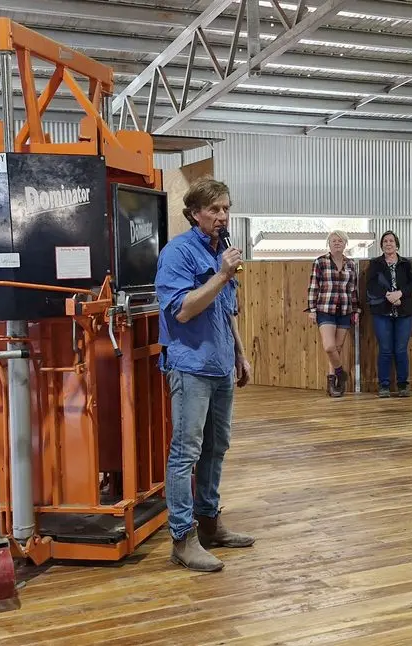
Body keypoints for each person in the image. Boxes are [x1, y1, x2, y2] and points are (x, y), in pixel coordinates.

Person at [155, 178, 255, 572]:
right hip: (189, 366)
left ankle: (211, 524)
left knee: (217, 447)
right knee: (186, 452)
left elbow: (227, 310)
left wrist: (241, 354)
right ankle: (183, 538)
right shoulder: (177, 253)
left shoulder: (222, 252)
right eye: (213, 209)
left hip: (220, 365)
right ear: (194, 213)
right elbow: (181, 310)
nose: (222, 216)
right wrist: (221, 275)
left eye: (226, 208)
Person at [306, 231, 360, 397]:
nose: (337, 243)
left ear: (345, 244)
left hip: (344, 310)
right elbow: (314, 286)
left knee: (337, 347)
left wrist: (356, 309)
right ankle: (341, 373)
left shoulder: (351, 264)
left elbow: (353, 289)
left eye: (341, 240)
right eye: (334, 240)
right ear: (329, 244)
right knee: (329, 347)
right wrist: (312, 309)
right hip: (325, 309)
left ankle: (333, 382)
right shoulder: (320, 262)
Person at [366, 231, 412, 398]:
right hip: (382, 311)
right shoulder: (375, 263)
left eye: (391, 241)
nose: (388, 244)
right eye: (385, 241)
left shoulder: (406, 263)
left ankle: (403, 385)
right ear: (381, 245)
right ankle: (384, 385)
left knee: (401, 349)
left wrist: (400, 294)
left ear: (397, 244)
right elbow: (371, 285)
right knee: (386, 349)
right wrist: (389, 296)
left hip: (404, 311)